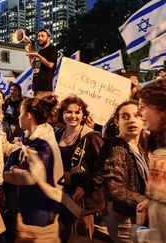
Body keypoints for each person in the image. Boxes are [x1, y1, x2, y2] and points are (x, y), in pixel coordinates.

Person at [4, 95, 63, 242]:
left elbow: (30, 178)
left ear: (28, 115)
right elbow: (5, 173)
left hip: (42, 212)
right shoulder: (27, 140)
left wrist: (13, 170)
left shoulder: (43, 144)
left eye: (20, 113)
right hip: (27, 208)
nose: (18, 117)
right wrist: (13, 171)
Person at [55, 95, 104, 242]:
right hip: (62, 197)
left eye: (77, 112)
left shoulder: (92, 137)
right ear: (62, 113)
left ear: (83, 115)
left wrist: (86, 187)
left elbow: (104, 167)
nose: (73, 116)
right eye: (68, 112)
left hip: (84, 201)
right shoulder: (57, 133)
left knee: (79, 238)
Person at [97, 100, 148, 243]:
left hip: (137, 218)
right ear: (116, 121)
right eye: (125, 116)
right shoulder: (116, 147)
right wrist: (147, 202)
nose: (132, 120)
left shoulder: (138, 147)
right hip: (125, 221)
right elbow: (114, 189)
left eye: (137, 116)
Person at [131, 80, 166, 243]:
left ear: (161, 108)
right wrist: (152, 200)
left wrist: (139, 236)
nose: (138, 114)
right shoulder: (157, 144)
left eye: (143, 107)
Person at [26, 29, 57, 99]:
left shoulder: (52, 49)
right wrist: (29, 53)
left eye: (42, 36)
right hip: (36, 88)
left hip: (45, 89)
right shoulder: (40, 52)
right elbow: (34, 66)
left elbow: (50, 65)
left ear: (48, 38)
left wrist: (38, 56)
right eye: (38, 36)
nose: (39, 38)